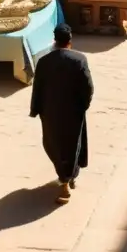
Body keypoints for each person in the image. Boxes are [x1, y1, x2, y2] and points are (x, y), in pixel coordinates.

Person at [30, 24, 94, 205]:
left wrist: (36, 109)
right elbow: (88, 87)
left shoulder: (44, 61)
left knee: (54, 144)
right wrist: (83, 106)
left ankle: (64, 177)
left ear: (55, 40)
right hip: (73, 111)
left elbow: (38, 88)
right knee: (73, 144)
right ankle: (68, 177)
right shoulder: (79, 59)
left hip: (50, 112)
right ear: (70, 41)